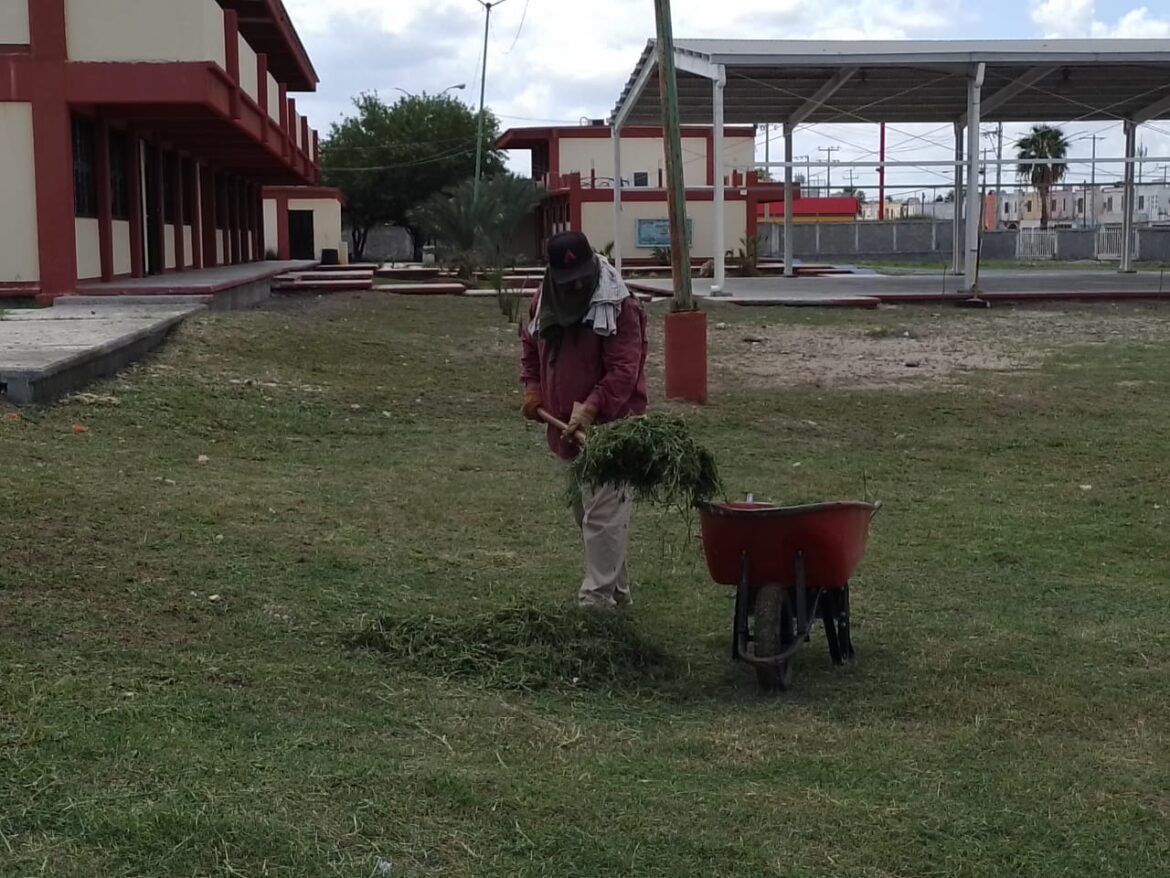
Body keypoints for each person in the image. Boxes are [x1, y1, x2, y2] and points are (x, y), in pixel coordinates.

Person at [520, 231, 648, 609]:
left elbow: (625, 370)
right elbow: (530, 347)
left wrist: (592, 406)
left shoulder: (620, 307)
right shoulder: (543, 303)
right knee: (587, 514)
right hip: (565, 430)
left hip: (614, 428)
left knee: (602, 516)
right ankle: (618, 593)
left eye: (581, 276)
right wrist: (532, 389)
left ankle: (596, 603)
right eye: (567, 281)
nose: (576, 285)